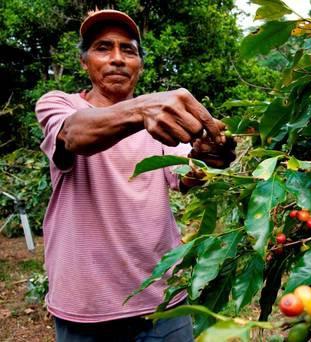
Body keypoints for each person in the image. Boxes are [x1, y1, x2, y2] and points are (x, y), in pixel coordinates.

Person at [35, 9, 235, 341]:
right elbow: (74, 135)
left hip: (163, 301)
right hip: (87, 306)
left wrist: (208, 156)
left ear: (139, 64)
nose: (117, 58)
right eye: (103, 48)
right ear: (84, 62)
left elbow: (187, 172)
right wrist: (142, 110)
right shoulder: (60, 104)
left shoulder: (159, 123)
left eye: (128, 50)